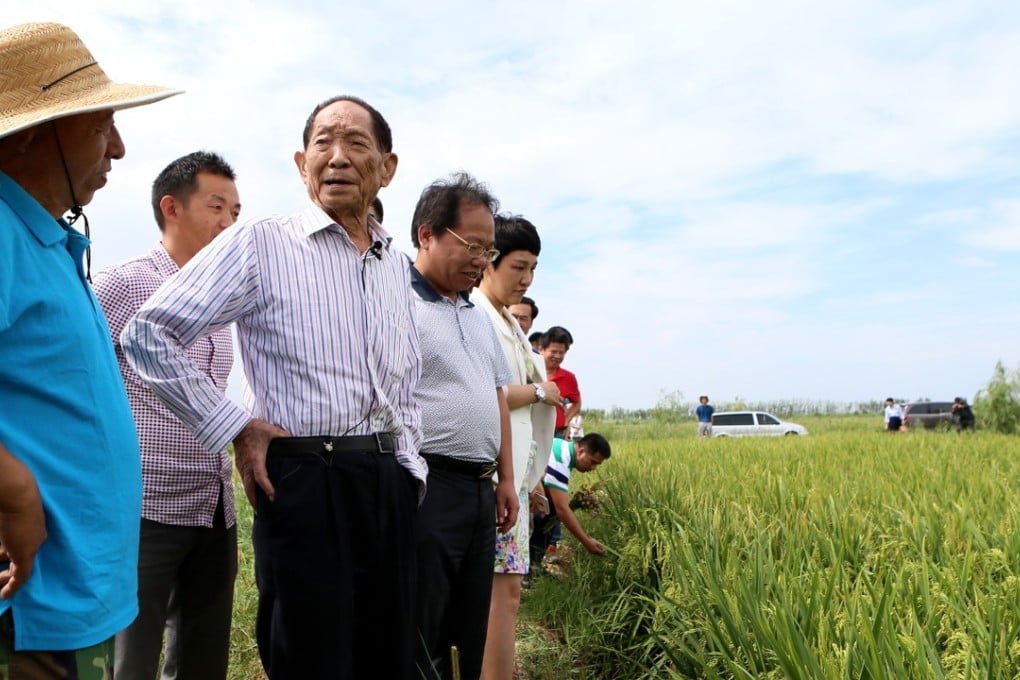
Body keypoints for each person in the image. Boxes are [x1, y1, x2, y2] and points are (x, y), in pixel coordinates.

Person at [121, 95, 423, 680]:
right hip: (308, 481)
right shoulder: (262, 242)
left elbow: (402, 380)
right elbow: (148, 334)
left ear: (386, 166)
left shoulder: (393, 261)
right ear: (299, 162)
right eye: (322, 143)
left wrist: (409, 467)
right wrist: (234, 425)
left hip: (386, 483)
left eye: (356, 143)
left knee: (385, 654)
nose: (336, 157)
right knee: (312, 656)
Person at [0, 21, 178, 675]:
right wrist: (14, 491)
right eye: (101, 122)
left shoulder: (40, 237)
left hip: (68, 592)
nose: (121, 147)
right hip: (26, 602)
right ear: (32, 132)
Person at [93, 151, 241, 680]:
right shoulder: (121, 284)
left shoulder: (224, 300)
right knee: (129, 662)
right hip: (144, 505)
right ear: (171, 208)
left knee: (203, 661)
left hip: (212, 505)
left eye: (236, 213)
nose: (228, 224)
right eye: (216, 207)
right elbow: (78, 382)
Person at [410, 173, 518, 680]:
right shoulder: (397, 305)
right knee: (420, 620)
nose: (481, 260)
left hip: (479, 491)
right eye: (471, 245)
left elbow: (497, 395)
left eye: (488, 249)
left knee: (468, 622)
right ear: (427, 234)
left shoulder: (475, 315)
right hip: (427, 486)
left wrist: (508, 478)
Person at [470, 215, 558, 680]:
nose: (525, 280)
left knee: (507, 593)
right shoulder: (478, 316)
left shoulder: (508, 320)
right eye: (518, 267)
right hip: (492, 477)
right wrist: (542, 392)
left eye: (533, 269)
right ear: (489, 261)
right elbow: (490, 393)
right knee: (497, 595)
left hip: (515, 479)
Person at [530, 434, 612, 570]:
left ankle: (533, 566)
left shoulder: (561, 445)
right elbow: (562, 509)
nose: (593, 468)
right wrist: (587, 542)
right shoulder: (561, 459)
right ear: (581, 452)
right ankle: (530, 568)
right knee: (550, 514)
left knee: (550, 512)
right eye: (593, 462)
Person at [541, 326, 581, 439]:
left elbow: (577, 402)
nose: (557, 356)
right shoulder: (530, 373)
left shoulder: (569, 378)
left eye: (561, 353)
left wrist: (566, 420)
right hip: (532, 430)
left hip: (556, 434)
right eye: (553, 352)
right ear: (541, 349)